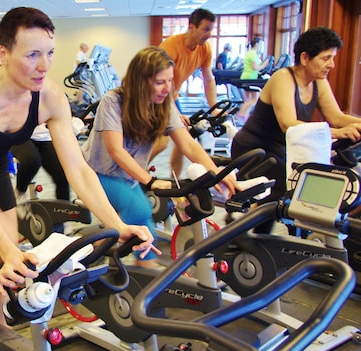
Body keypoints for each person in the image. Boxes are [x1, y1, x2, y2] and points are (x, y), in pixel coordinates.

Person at [0, 7, 156, 351]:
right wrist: (7, 249)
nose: (44, 66)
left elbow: (79, 170)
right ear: (3, 52)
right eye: (32, 55)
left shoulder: (49, 96)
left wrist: (117, 224)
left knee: (9, 252)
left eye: (49, 53)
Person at [82, 46, 237, 268]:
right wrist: (151, 181)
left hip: (128, 176)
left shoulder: (164, 105)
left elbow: (188, 145)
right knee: (141, 210)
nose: (168, 89)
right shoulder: (113, 101)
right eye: (160, 82)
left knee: (145, 226)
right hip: (97, 173)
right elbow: (116, 151)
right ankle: (119, 260)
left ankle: (143, 276)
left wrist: (217, 173)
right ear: (141, 81)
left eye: (170, 81)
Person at [231, 27, 361, 233]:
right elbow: (288, 124)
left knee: (303, 187)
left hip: (283, 150)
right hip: (255, 149)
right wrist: (335, 133)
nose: (331, 64)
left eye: (333, 58)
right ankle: (246, 239)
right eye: (326, 58)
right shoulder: (283, 78)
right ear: (305, 57)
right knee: (285, 188)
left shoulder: (318, 81)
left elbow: (336, 117)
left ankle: (294, 242)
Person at [156, 8, 219, 177]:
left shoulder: (204, 49)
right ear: (191, 27)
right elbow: (159, 83)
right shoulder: (170, 47)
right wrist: (174, 113)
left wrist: (214, 107)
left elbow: (208, 79)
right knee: (161, 142)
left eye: (211, 30)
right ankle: (135, 176)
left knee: (184, 137)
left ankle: (174, 182)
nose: (209, 34)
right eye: (205, 29)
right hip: (155, 96)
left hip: (172, 96)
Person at [235, 37, 270, 121]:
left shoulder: (250, 53)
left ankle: (244, 116)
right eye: (261, 44)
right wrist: (265, 64)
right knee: (255, 99)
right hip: (249, 78)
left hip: (247, 77)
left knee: (248, 99)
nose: (262, 47)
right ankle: (241, 114)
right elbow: (255, 67)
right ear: (257, 44)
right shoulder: (253, 54)